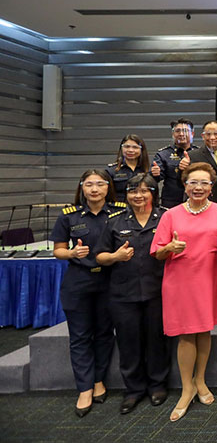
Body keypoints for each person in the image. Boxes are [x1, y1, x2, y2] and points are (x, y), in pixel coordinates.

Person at [151, 162, 217, 422]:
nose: (198, 187)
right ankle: (187, 388)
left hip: (210, 279)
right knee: (186, 334)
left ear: (211, 187)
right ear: (184, 186)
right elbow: (157, 252)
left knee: (204, 330)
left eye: (204, 183)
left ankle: (200, 380)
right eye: (193, 182)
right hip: (180, 281)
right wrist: (169, 248)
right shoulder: (171, 215)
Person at [50, 170, 125, 417]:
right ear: (81, 187)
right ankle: (84, 387)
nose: (94, 189)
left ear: (108, 187)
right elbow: (58, 250)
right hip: (79, 281)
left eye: (100, 184)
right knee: (80, 335)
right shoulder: (69, 215)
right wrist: (72, 253)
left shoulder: (120, 212)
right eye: (89, 184)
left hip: (109, 280)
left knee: (104, 332)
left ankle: (99, 380)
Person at [94, 174, 169, 414]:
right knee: (128, 343)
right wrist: (115, 257)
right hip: (123, 293)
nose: (139, 196)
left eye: (144, 191)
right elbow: (100, 256)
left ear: (153, 193)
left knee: (156, 340)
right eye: (133, 191)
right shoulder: (115, 221)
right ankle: (134, 390)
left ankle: (157, 385)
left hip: (158, 291)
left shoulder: (166, 217)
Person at [152, 118, 199, 208]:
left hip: (196, 199)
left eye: (185, 131)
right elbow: (154, 179)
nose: (181, 134)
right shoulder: (163, 154)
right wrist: (155, 174)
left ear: (192, 134)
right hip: (171, 202)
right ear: (173, 134)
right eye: (178, 131)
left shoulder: (199, 153)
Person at [181, 120, 217, 204]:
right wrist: (182, 168)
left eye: (216, 134)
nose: (212, 137)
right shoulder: (191, 156)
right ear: (203, 136)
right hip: (200, 202)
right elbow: (183, 180)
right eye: (208, 134)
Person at [106, 134, 151, 203]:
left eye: (135, 147)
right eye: (127, 147)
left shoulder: (149, 170)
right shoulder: (111, 171)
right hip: (120, 207)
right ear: (121, 148)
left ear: (142, 150)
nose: (130, 150)